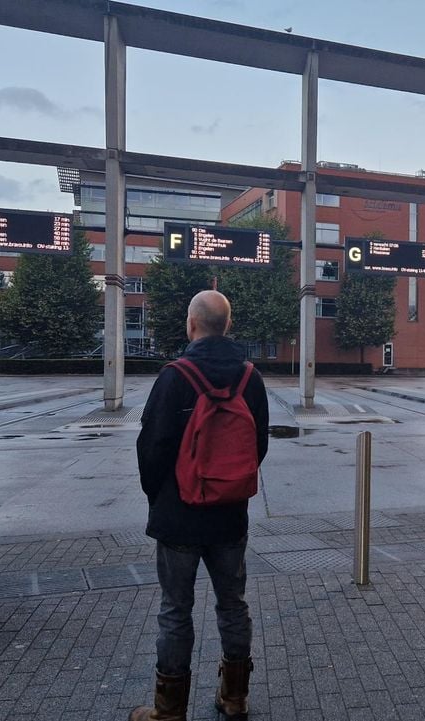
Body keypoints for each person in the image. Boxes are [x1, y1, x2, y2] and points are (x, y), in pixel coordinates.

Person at [132, 290, 269, 721]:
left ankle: (169, 709)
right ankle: (235, 698)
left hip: (179, 518)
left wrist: (162, 498)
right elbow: (257, 446)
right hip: (230, 516)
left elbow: (151, 449)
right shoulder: (251, 378)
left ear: (192, 325)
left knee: (175, 610)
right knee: (234, 604)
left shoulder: (175, 377)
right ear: (227, 325)